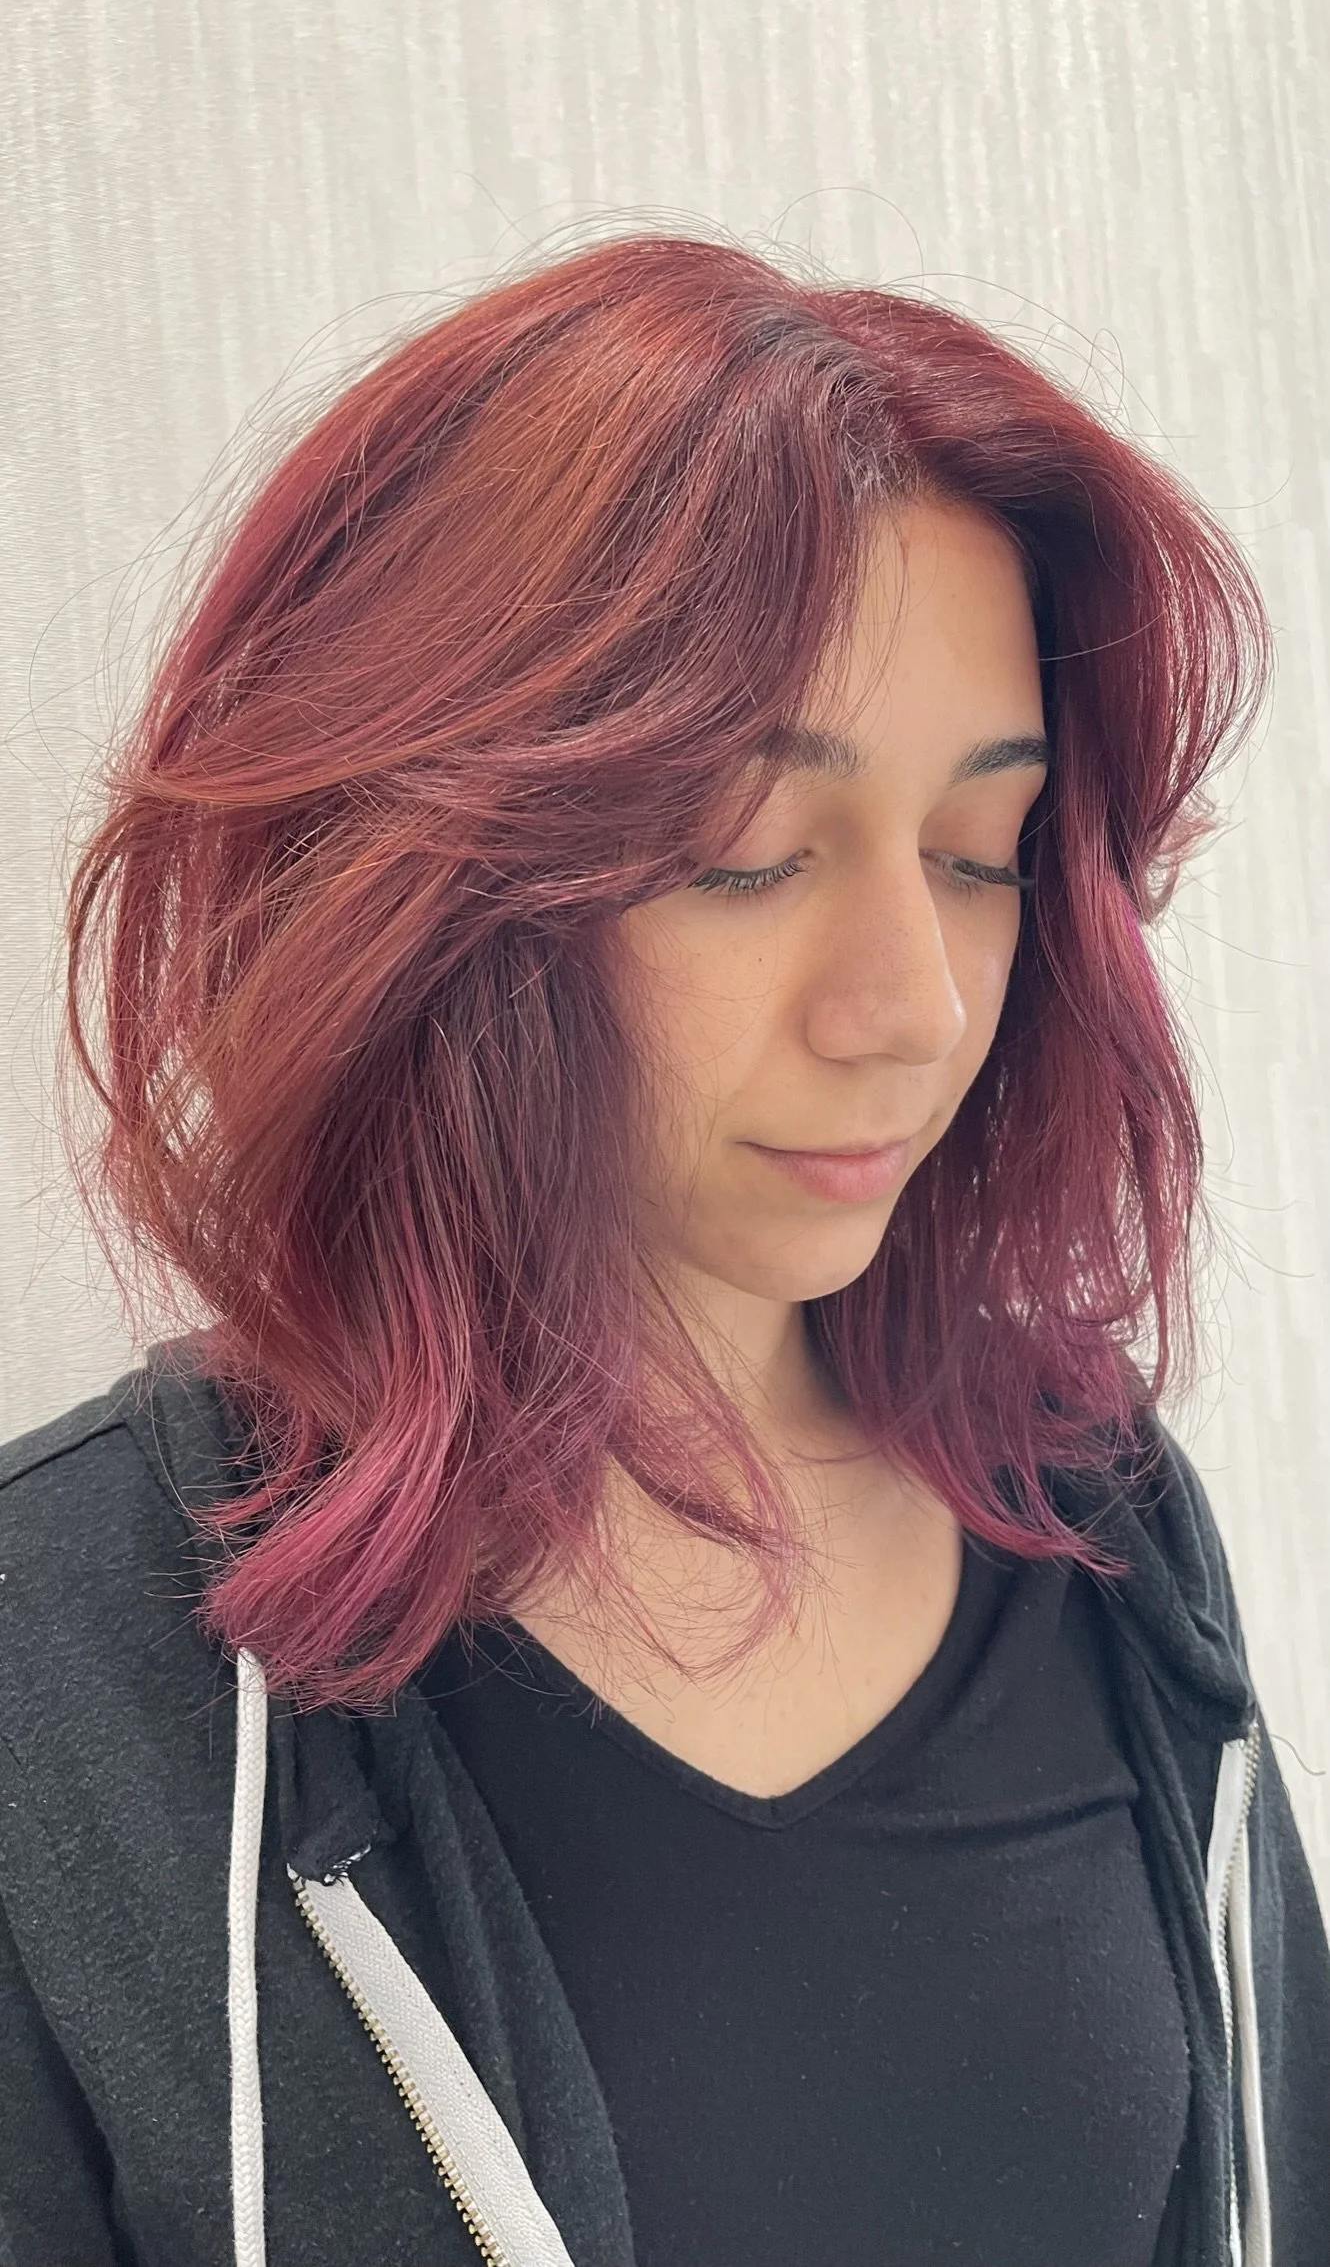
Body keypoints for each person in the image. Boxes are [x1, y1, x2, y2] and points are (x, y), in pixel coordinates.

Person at [1, 232, 1326, 2267]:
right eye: (741, 852)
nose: (910, 1002)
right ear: (424, 882)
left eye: (975, 854)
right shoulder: (61, 1663)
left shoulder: (1099, 1522)